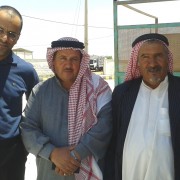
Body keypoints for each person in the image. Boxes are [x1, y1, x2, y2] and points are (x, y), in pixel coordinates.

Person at [20, 37, 112, 180]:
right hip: (50, 173)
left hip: (89, 169)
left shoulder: (98, 88)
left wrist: (77, 154)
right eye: (62, 58)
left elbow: (105, 125)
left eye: (74, 59)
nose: (68, 64)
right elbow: (27, 128)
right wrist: (52, 153)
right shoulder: (40, 91)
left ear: (82, 63)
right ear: (53, 62)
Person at [103, 33, 180, 180]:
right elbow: (113, 142)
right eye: (145, 57)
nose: (152, 63)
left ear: (167, 59)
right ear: (136, 62)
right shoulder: (122, 93)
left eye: (159, 56)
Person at [0, 5, 39, 180]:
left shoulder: (25, 71)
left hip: (11, 152)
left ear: (17, 38)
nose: (4, 38)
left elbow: (37, 110)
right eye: (0, 30)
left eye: (11, 34)